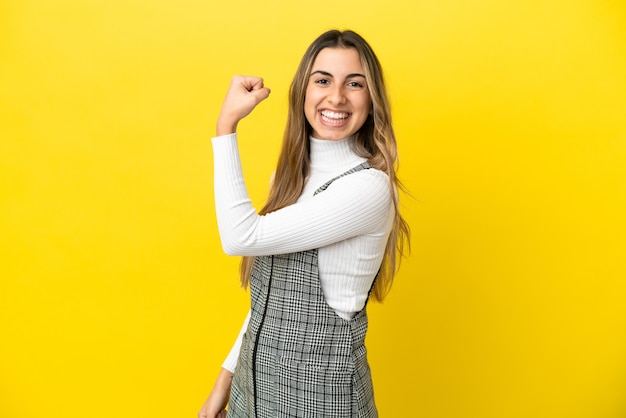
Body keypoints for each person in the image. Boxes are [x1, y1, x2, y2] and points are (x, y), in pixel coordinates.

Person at [199, 29, 410, 418]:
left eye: (355, 84)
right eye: (323, 80)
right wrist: (223, 384)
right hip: (252, 398)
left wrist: (226, 126)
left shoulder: (368, 188)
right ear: (303, 91)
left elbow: (239, 236)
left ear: (372, 100)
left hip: (321, 406)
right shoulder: (292, 176)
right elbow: (266, 306)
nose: (336, 97)